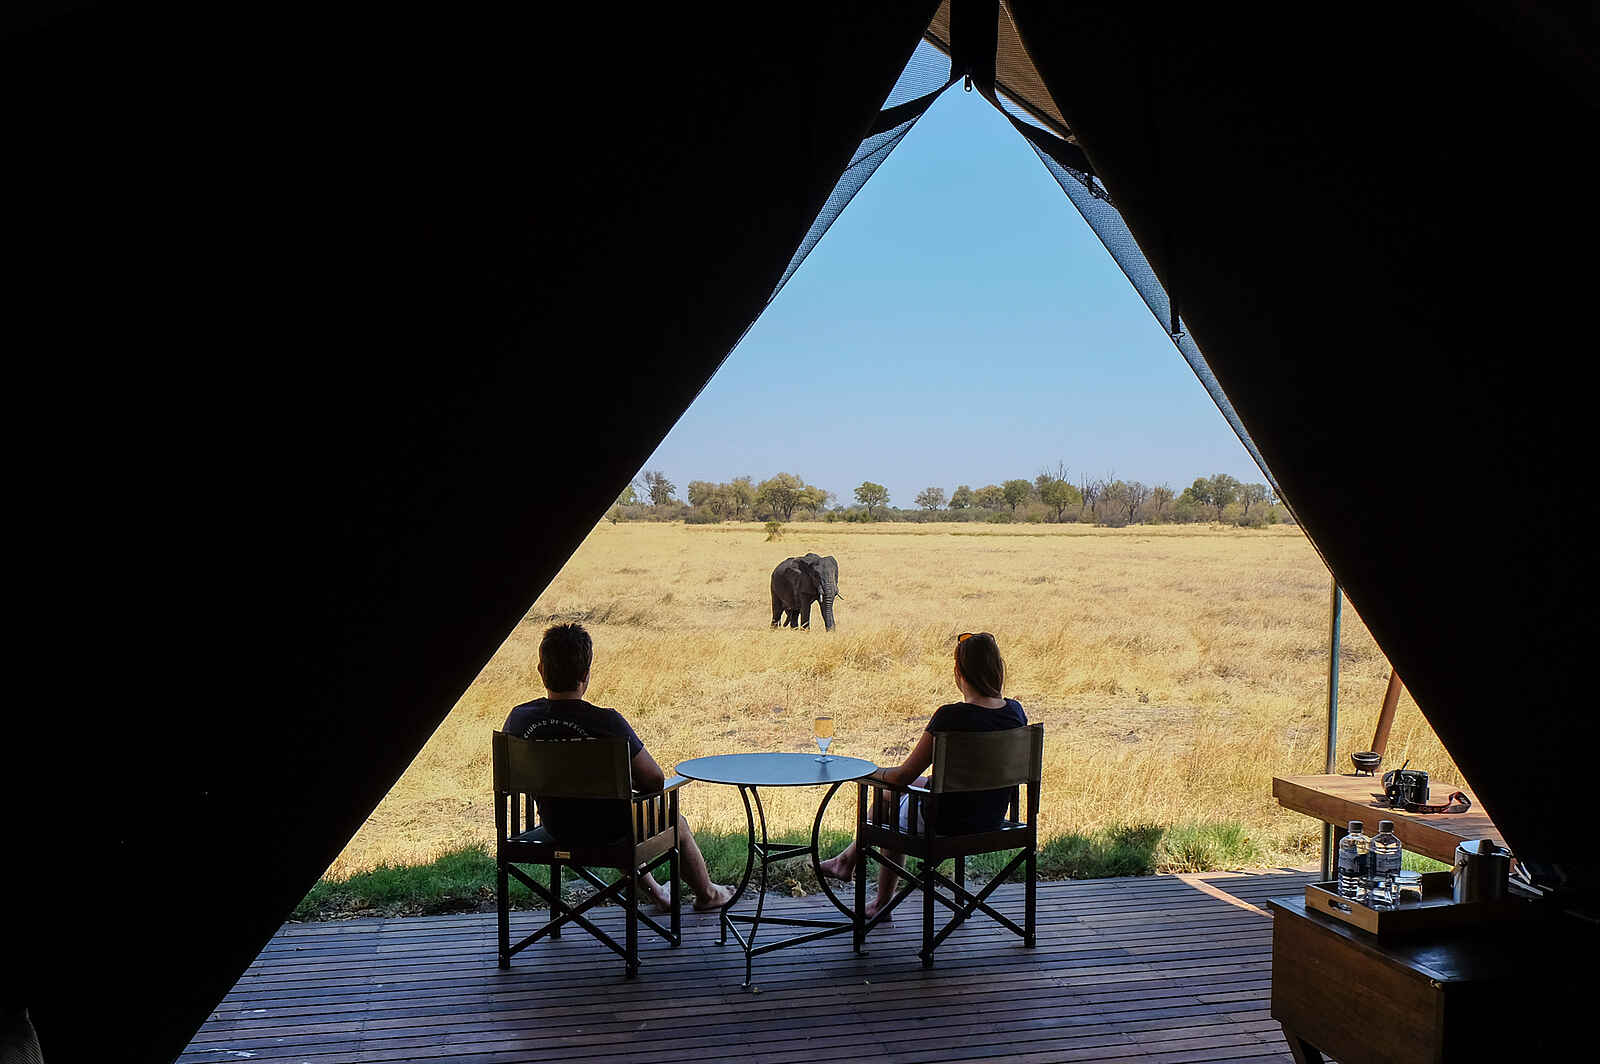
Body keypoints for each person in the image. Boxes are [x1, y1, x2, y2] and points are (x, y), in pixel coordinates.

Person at [503, 622, 732, 912]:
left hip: (555, 827)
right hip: (610, 834)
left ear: (541, 670)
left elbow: (513, 781)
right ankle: (709, 895)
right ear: (586, 675)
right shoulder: (607, 723)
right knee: (672, 822)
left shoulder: (519, 719)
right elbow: (654, 780)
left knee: (622, 814)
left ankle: (659, 895)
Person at [818, 631, 1026, 919]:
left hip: (946, 822)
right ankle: (849, 865)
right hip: (991, 818)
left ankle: (874, 896)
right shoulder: (1015, 713)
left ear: (959, 672)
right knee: (895, 794)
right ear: (997, 669)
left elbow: (902, 776)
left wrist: (868, 771)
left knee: (886, 799)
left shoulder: (951, 716)